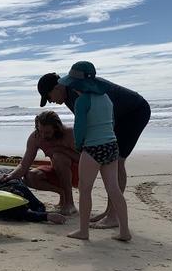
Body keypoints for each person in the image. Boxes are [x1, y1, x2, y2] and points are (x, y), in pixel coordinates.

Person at [38, 69, 150, 229]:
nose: (50, 101)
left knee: (117, 162)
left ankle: (113, 216)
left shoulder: (76, 92)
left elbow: (89, 122)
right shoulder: (70, 93)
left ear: (56, 88)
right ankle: (109, 212)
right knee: (112, 162)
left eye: (48, 97)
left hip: (134, 112)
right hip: (115, 117)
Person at [57, 62, 131, 241]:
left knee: (85, 189)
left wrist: (78, 145)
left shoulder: (82, 101)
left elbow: (79, 127)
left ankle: (83, 231)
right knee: (114, 189)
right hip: (111, 146)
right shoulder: (106, 98)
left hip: (92, 148)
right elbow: (111, 122)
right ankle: (124, 231)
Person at [0, 111, 79, 215]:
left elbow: (85, 159)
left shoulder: (69, 134)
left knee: (59, 156)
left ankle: (70, 203)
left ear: (56, 128)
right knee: (29, 176)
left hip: (78, 175)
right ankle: (62, 193)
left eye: (47, 133)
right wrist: (10, 176)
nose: (43, 135)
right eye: (41, 131)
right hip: (57, 173)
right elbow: (24, 165)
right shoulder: (36, 137)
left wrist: (60, 149)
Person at [0, 168, 66, 224]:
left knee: (32, 202)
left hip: (7, 174)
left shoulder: (21, 189)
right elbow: (23, 215)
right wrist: (46, 216)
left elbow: (39, 205)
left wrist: (43, 214)